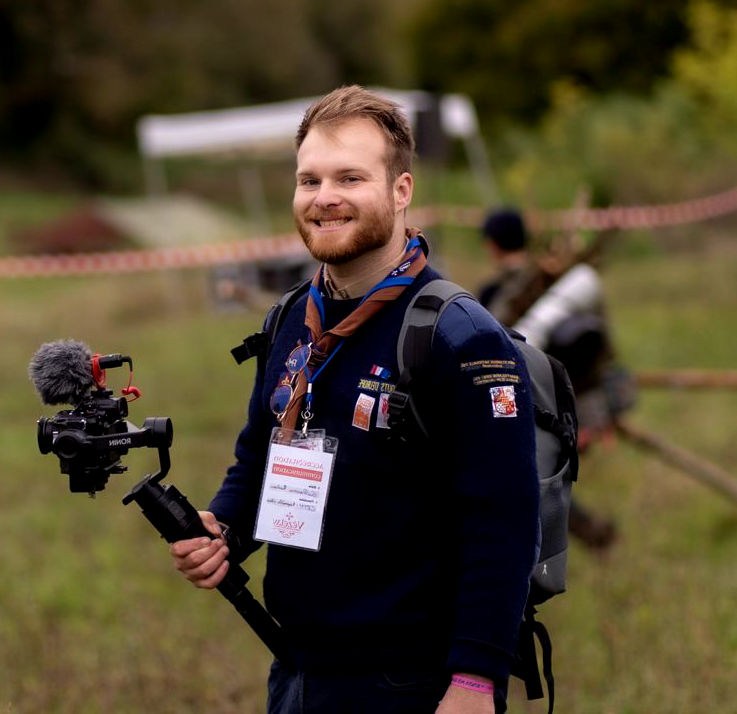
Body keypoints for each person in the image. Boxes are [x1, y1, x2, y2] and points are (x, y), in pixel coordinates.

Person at [170, 86, 539, 714]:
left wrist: (476, 680)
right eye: (308, 180)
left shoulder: (460, 335)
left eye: (350, 177)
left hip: (414, 681)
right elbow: (259, 455)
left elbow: (503, 518)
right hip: (298, 668)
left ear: (401, 191)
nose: (324, 198)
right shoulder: (291, 318)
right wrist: (224, 529)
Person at [478, 207, 621, 549]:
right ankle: (591, 534)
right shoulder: (562, 284)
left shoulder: (497, 295)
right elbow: (600, 353)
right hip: (574, 406)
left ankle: (584, 538)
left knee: (532, 483)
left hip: (523, 409)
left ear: (492, 246)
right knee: (541, 482)